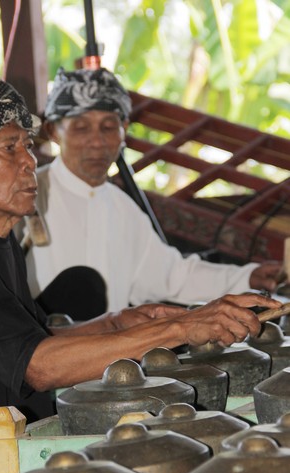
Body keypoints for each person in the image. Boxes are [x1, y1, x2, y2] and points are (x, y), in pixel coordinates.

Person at [0, 76, 280, 473]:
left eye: (27, 146)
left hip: (2, 457)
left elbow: (24, 342)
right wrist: (181, 329)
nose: (29, 161)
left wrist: (117, 323)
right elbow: (38, 366)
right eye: (8, 148)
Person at [24, 67, 285, 320]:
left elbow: (173, 277)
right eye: (81, 128)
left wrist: (247, 278)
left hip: (113, 360)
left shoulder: (123, 209)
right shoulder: (25, 196)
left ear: (124, 129)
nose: (97, 141)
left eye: (108, 127)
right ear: (53, 131)